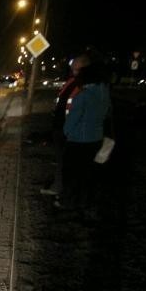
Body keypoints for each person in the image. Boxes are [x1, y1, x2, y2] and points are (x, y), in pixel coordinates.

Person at [60, 57, 111, 221]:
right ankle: (86, 204)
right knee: (89, 175)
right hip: (96, 139)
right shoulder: (104, 94)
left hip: (78, 141)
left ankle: (69, 203)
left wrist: (66, 132)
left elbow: (72, 119)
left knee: (72, 174)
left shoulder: (83, 96)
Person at [41, 53, 90, 198]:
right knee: (61, 161)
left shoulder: (85, 85)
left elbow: (79, 109)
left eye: (77, 69)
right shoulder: (72, 81)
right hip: (61, 127)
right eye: (73, 69)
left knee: (68, 164)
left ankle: (64, 191)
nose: (74, 72)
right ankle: (61, 188)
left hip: (70, 130)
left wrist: (68, 129)